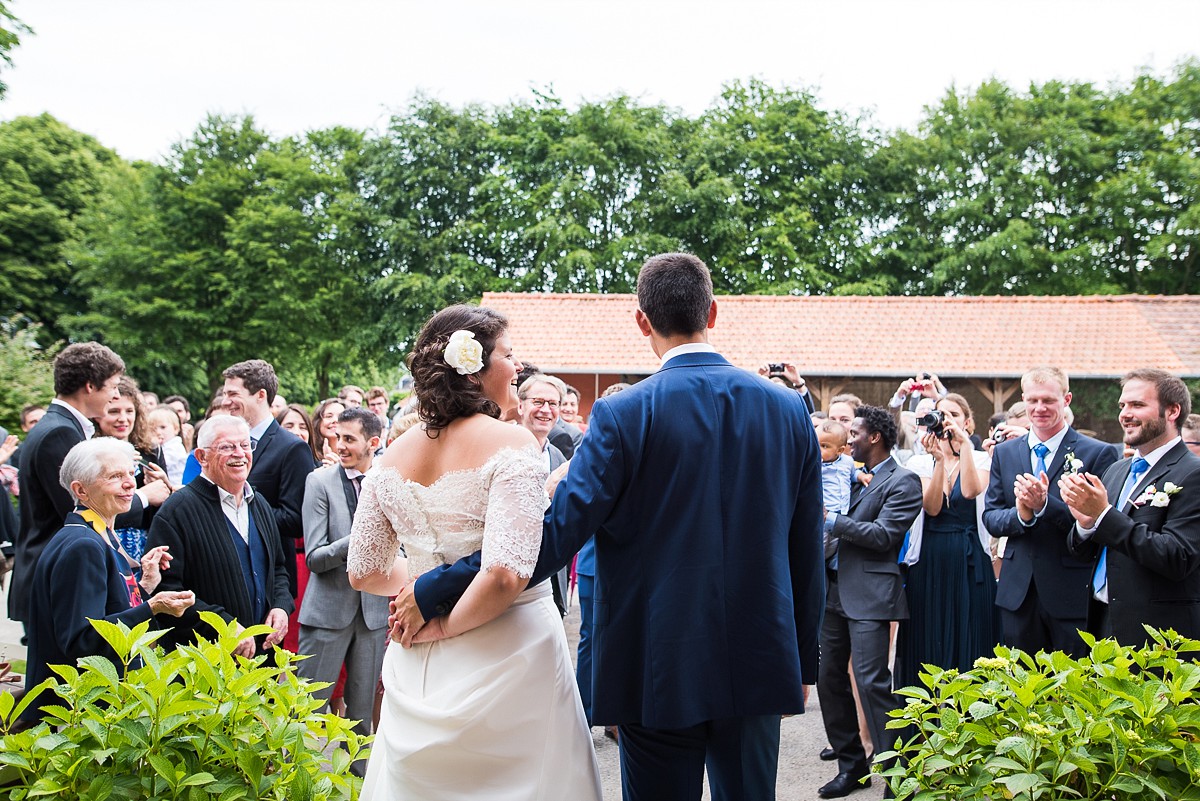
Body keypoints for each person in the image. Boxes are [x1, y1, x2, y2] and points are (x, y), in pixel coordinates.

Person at [398, 254, 825, 801]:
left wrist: (437, 584)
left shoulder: (625, 413)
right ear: (713, 312)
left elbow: (555, 533)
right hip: (758, 651)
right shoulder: (788, 409)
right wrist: (803, 655)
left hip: (656, 660)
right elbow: (805, 545)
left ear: (642, 321)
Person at [346, 304, 602, 799]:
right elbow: (506, 575)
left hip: (417, 655)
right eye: (509, 354)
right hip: (510, 650)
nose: (518, 366)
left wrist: (420, 583)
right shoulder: (512, 442)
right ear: (476, 367)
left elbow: (363, 569)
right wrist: (447, 623)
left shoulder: (392, 455)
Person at [22, 438, 194, 722]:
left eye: (130, 474)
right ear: (81, 490)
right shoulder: (83, 544)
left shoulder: (96, 533)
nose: (130, 484)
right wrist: (152, 607)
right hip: (76, 718)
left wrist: (146, 586)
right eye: (115, 476)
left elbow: (106, 607)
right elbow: (82, 640)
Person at [10, 343, 169, 628]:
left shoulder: (59, 426)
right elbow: (80, 507)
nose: (116, 395)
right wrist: (144, 496)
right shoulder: (59, 432)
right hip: (63, 574)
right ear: (90, 386)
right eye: (112, 386)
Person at [817, 405, 922, 799]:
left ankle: (899, 777)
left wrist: (830, 519)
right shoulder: (849, 475)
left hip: (872, 595)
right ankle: (852, 768)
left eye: (854, 432)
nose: (848, 439)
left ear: (874, 437)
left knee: (873, 683)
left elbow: (883, 536)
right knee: (829, 681)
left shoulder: (903, 481)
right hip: (834, 591)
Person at [983, 367, 1120, 657]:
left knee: (1074, 686)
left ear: (1066, 399)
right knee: (1020, 688)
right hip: (1018, 593)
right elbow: (991, 518)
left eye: (1048, 400)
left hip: (1071, 591)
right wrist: (1023, 515)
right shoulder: (1006, 453)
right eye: (1032, 401)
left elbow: (1097, 521)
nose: (1039, 408)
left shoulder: (1097, 453)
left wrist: (1046, 505)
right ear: (1023, 399)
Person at [1062, 369, 1200, 644]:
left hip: (1157, 633)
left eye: (1137, 405)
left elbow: (1177, 557)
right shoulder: (1117, 470)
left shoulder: (1192, 473)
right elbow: (1085, 552)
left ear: (1172, 411)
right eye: (1122, 405)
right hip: (1103, 620)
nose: (1124, 414)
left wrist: (1103, 515)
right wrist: (1086, 525)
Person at [145, 415, 293, 658]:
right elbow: (166, 589)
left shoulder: (259, 503)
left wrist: (281, 606)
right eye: (227, 447)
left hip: (261, 663)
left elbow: (277, 569)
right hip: (205, 663)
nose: (239, 453)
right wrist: (221, 627)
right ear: (202, 457)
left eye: (245, 445)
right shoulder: (176, 512)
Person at [298, 407, 389, 772]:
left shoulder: (388, 481)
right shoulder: (318, 483)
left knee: (362, 718)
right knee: (307, 711)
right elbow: (315, 557)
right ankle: (298, 784)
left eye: (349, 439)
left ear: (374, 443)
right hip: (326, 612)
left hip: (372, 615)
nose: (339, 446)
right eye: (336, 437)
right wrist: (359, 540)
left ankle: (360, 788)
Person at [895, 394, 1000, 689]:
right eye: (941, 414)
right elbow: (932, 507)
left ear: (967, 422)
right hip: (931, 556)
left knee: (971, 630)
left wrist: (964, 445)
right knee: (930, 632)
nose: (946, 419)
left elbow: (970, 491)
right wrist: (939, 461)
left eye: (953, 414)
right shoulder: (919, 462)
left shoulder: (982, 458)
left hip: (970, 558)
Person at [221, 359, 316, 601]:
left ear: (260, 395)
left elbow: (295, 519)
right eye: (224, 394)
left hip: (268, 577)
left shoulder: (291, 448)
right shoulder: (221, 445)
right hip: (224, 574)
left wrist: (238, 507)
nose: (225, 401)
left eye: (233, 393)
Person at [95, 376, 172, 560]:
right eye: (114, 411)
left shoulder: (151, 450)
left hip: (146, 546)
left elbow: (162, 513)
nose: (123, 419)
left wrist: (164, 487)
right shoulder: (91, 454)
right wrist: (145, 495)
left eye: (129, 411)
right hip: (105, 545)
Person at [514, 373, 570, 615]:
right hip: (511, 576)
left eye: (553, 404)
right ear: (520, 405)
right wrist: (546, 491)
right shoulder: (503, 449)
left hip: (549, 577)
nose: (545, 410)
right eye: (538, 402)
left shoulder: (558, 456)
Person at [147, 407, 188, 487]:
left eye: (163, 427)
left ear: (176, 429)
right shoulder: (163, 446)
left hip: (176, 488)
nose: (158, 432)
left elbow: (162, 463)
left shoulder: (175, 446)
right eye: (153, 429)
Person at [311, 398, 346, 466]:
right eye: (329, 416)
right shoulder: (309, 454)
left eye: (340, 416)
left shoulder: (354, 455)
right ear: (318, 422)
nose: (335, 420)